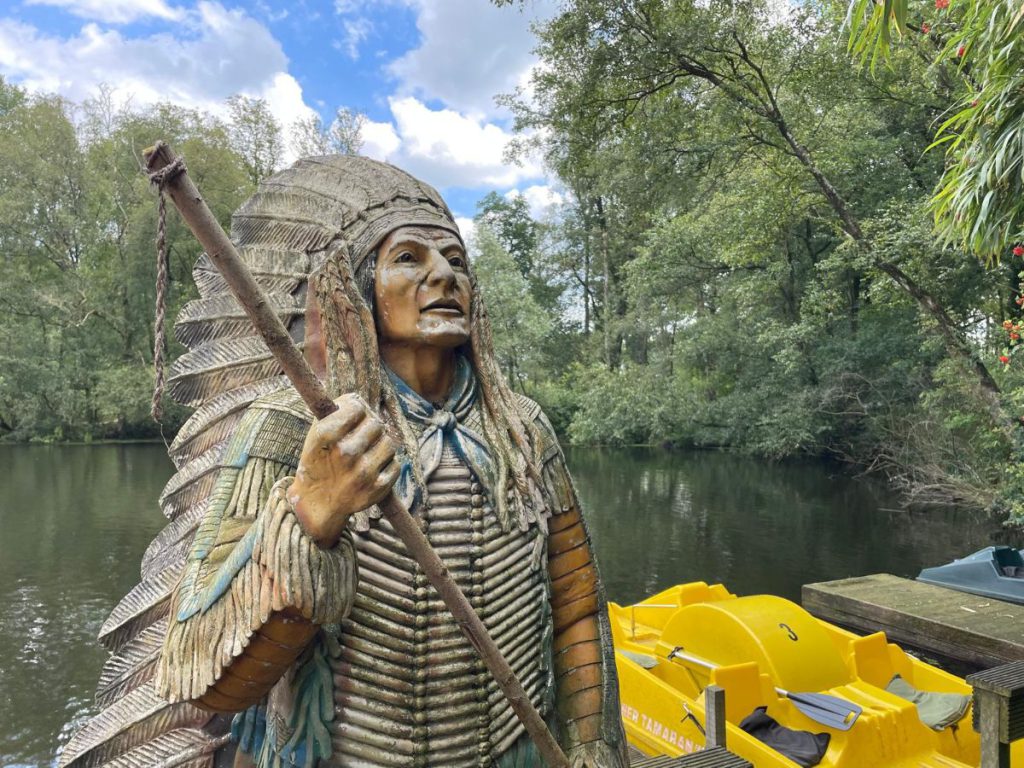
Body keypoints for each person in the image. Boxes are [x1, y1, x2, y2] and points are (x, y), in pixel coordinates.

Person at [59, 156, 627, 768]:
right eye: (409, 257)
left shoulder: (525, 432)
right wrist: (311, 514)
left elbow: (577, 609)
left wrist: (592, 745)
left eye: (456, 262)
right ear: (356, 290)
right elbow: (201, 669)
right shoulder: (291, 427)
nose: (444, 275)